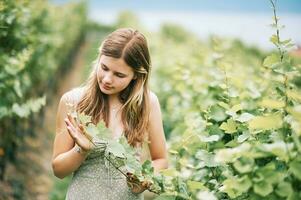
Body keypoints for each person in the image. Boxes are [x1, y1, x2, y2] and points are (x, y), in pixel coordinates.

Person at [51, 28, 168, 200]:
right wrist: (81, 150)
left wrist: (143, 179)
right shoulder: (73, 101)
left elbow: (161, 160)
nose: (106, 79)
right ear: (99, 58)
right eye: (104, 67)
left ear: (136, 75)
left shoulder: (148, 103)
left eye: (119, 75)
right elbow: (58, 171)